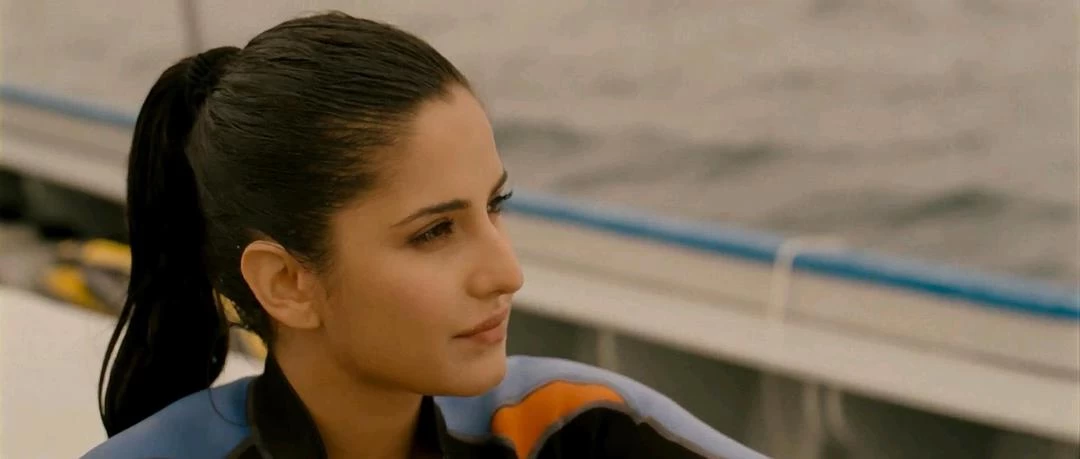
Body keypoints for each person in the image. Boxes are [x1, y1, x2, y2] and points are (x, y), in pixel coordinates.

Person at [83, 11, 766, 459]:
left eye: (494, 206)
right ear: (287, 283)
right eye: (436, 230)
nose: (507, 273)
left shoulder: (573, 427)